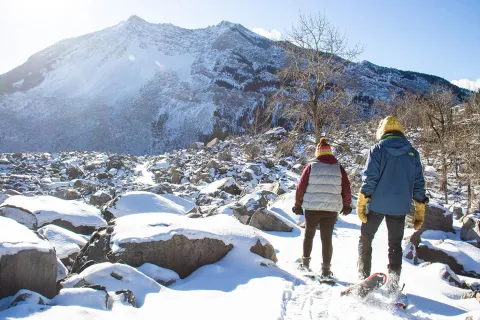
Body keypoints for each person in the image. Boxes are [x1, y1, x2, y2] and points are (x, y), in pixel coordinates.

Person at [356, 116, 427, 294]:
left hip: (378, 204)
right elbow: (419, 182)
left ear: (383, 131)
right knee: (395, 244)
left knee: (365, 238)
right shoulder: (413, 153)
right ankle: (393, 284)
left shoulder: (377, 149)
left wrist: (362, 201)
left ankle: (362, 277)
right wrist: (420, 208)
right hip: (400, 207)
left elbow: (370, 178)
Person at [293, 137, 352, 278]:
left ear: (317, 153)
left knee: (309, 235)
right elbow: (346, 187)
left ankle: (305, 264)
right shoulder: (339, 167)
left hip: (312, 209)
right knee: (327, 239)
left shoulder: (311, 166)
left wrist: (297, 204)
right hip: (331, 209)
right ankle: (326, 270)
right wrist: (347, 204)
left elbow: (301, 187)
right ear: (330, 153)